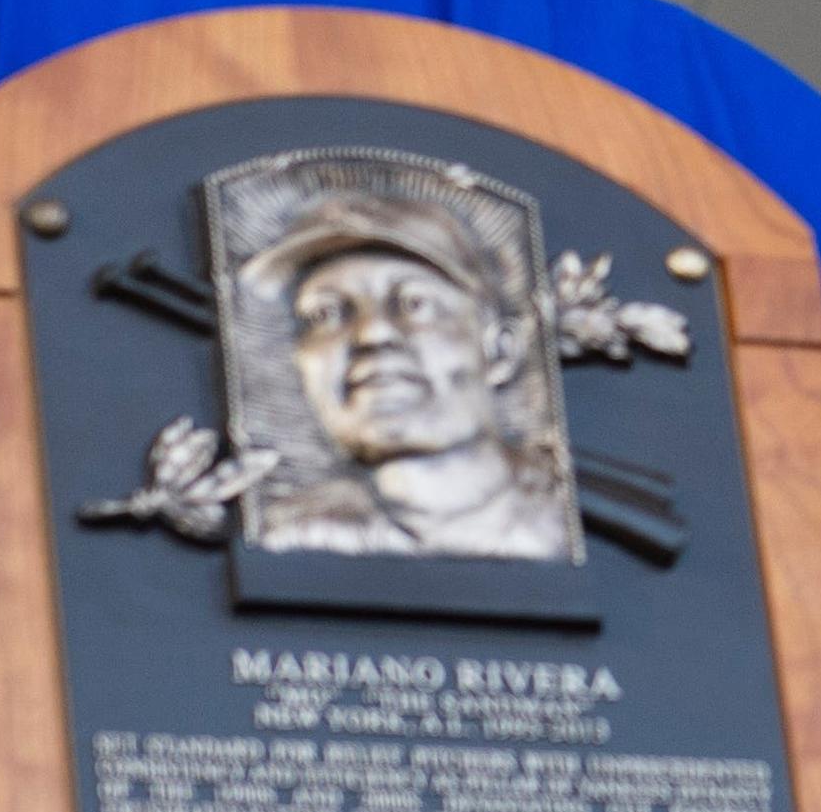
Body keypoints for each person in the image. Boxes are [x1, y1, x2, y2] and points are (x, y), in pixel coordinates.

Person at [239, 193, 572, 560]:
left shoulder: (568, 522)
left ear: (500, 351)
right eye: (325, 313)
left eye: (415, 303)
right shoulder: (290, 537)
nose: (373, 334)